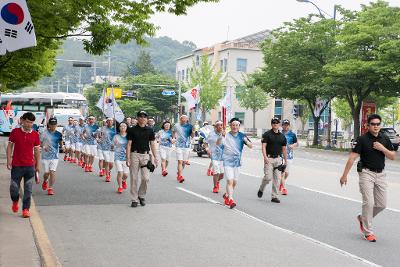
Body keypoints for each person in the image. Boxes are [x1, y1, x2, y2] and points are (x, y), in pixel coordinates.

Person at [340, 114, 395, 242]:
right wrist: (344, 175)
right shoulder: (362, 139)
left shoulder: (384, 138)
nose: (376, 126)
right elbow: (352, 158)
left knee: (381, 204)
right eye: (373, 124)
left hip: (381, 174)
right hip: (366, 173)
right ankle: (368, 232)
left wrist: (382, 149)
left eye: (378, 124)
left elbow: (392, 156)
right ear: (368, 125)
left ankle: (362, 218)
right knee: (369, 203)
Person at [6, 112, 41, 218]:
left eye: (31, 122)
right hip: (17, 165)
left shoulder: (35, 134)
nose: (29, 124)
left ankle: (25, 209)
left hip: (30, 166)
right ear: (22, 121)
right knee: (13, 188)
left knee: (28, 189)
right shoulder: (15, 132)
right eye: (27, 122)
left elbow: (37, 151)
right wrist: (9, 160)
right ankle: (15, 201)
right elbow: (10, 146)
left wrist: (38, 165)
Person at [126, 111, 158, 208]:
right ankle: (134, 199)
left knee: (146, 178)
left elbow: (152, 144)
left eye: (145, 117)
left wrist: (156, 157)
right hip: (134, 154)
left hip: (145, 156)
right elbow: (129, 144)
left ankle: (141, 195)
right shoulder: (132, 130)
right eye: (140, 116)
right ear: (137, 118)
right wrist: (127, 158)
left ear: (147, 119)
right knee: (134, 178)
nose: (143, 118)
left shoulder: (150, 130)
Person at [221, 118, 252, 209]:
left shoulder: (242, 136)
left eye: (236, 125)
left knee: (234, 182)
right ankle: (231, 199)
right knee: (229, 181)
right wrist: (221, 137)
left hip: (237, 163)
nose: (235, 127)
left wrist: (246, 141)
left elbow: (251, 146)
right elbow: (219, 144)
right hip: (227, 161)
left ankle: (227, 195)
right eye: (233, 125)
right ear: (230, 126)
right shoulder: (226, 135)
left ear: (239, 126)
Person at [257, 118, 287, 204]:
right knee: (268, 177)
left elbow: (284, 149)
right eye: (273, 122)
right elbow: (263, 146)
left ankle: (274, 196)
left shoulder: (282, 136)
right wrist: (265, 157)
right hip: (269, 158)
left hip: (278, 159)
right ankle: (261, 188)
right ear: (271, 124)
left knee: (277, 179)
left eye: (277, 123)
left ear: (279, 124)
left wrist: (285, 161)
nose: (275, 124)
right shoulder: (267, 134)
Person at [40, 118, 63, 195]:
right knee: (46, 173)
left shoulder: (59, 134)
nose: (53, 126)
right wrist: (43, 146)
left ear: (56, 125)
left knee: (52, 172)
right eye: (51, 124)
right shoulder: (44, 133)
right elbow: (39, 143)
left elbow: (60, 142)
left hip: (54, 156)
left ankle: (50, 188)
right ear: (49, 125)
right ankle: (45, 181)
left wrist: (63, 147)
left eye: (54, 124)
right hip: (45, 156)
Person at [173, 114, 194, 183]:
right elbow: (173, 132)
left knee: (184, 162)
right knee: (180, 161)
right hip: (179, 145)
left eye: (185, 119)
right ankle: (180, 176)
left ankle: (179, 172)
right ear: (180, 119)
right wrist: (173, 138)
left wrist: (193, 132)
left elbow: (192, 136)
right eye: (183, 119)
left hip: (186, 146)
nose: (184, 120)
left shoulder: (190, 126)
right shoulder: (176, 125)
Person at [205, 120, 224, 193]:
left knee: (222, 174)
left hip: (222, 156)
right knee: (216, 171)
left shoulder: (225, 134)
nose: (220, 126)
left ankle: (217, 182)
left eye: (221, 125)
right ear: (215, 127)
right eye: (218, 125)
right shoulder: (211, 134)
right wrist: (207, 150)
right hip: (214, 155)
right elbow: (205, 143)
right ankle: (215, 186)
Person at [280, 119, 298, 195]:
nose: (286, 126)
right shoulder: (279, 134)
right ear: (282, 125)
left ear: (289, 126)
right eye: (284, 125)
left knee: (287, 173)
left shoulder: (292, 134)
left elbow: (297, 143)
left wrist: (292, 145)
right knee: (282, 172)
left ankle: (281, 183)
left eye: (287, 125)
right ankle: (284, 188)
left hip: (289, 156)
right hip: (280, 156)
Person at [113, 123, 129, 193]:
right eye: (121, 126)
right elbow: (112, 145)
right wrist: (113, 145)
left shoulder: (129, 136)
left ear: (126, 127)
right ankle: (120, 186)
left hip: (126, 157)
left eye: (124, 126)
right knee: (120, 172)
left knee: (125, 175)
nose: (122, 127)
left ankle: (123, 181)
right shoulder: (116, 136)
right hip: (117, 156)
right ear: (119, 127)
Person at [100, 118, 116, 182]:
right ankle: (107, 176)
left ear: (113, 122)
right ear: (106, 122)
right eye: (108, 121)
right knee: (107, 161)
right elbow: (99, 135)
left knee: (111, 164)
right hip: (105, 147)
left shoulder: (115, 129)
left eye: (111, 121)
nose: (110, 122)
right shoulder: (103, 128)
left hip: (112, 148)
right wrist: (99, 138)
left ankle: (108, 171)